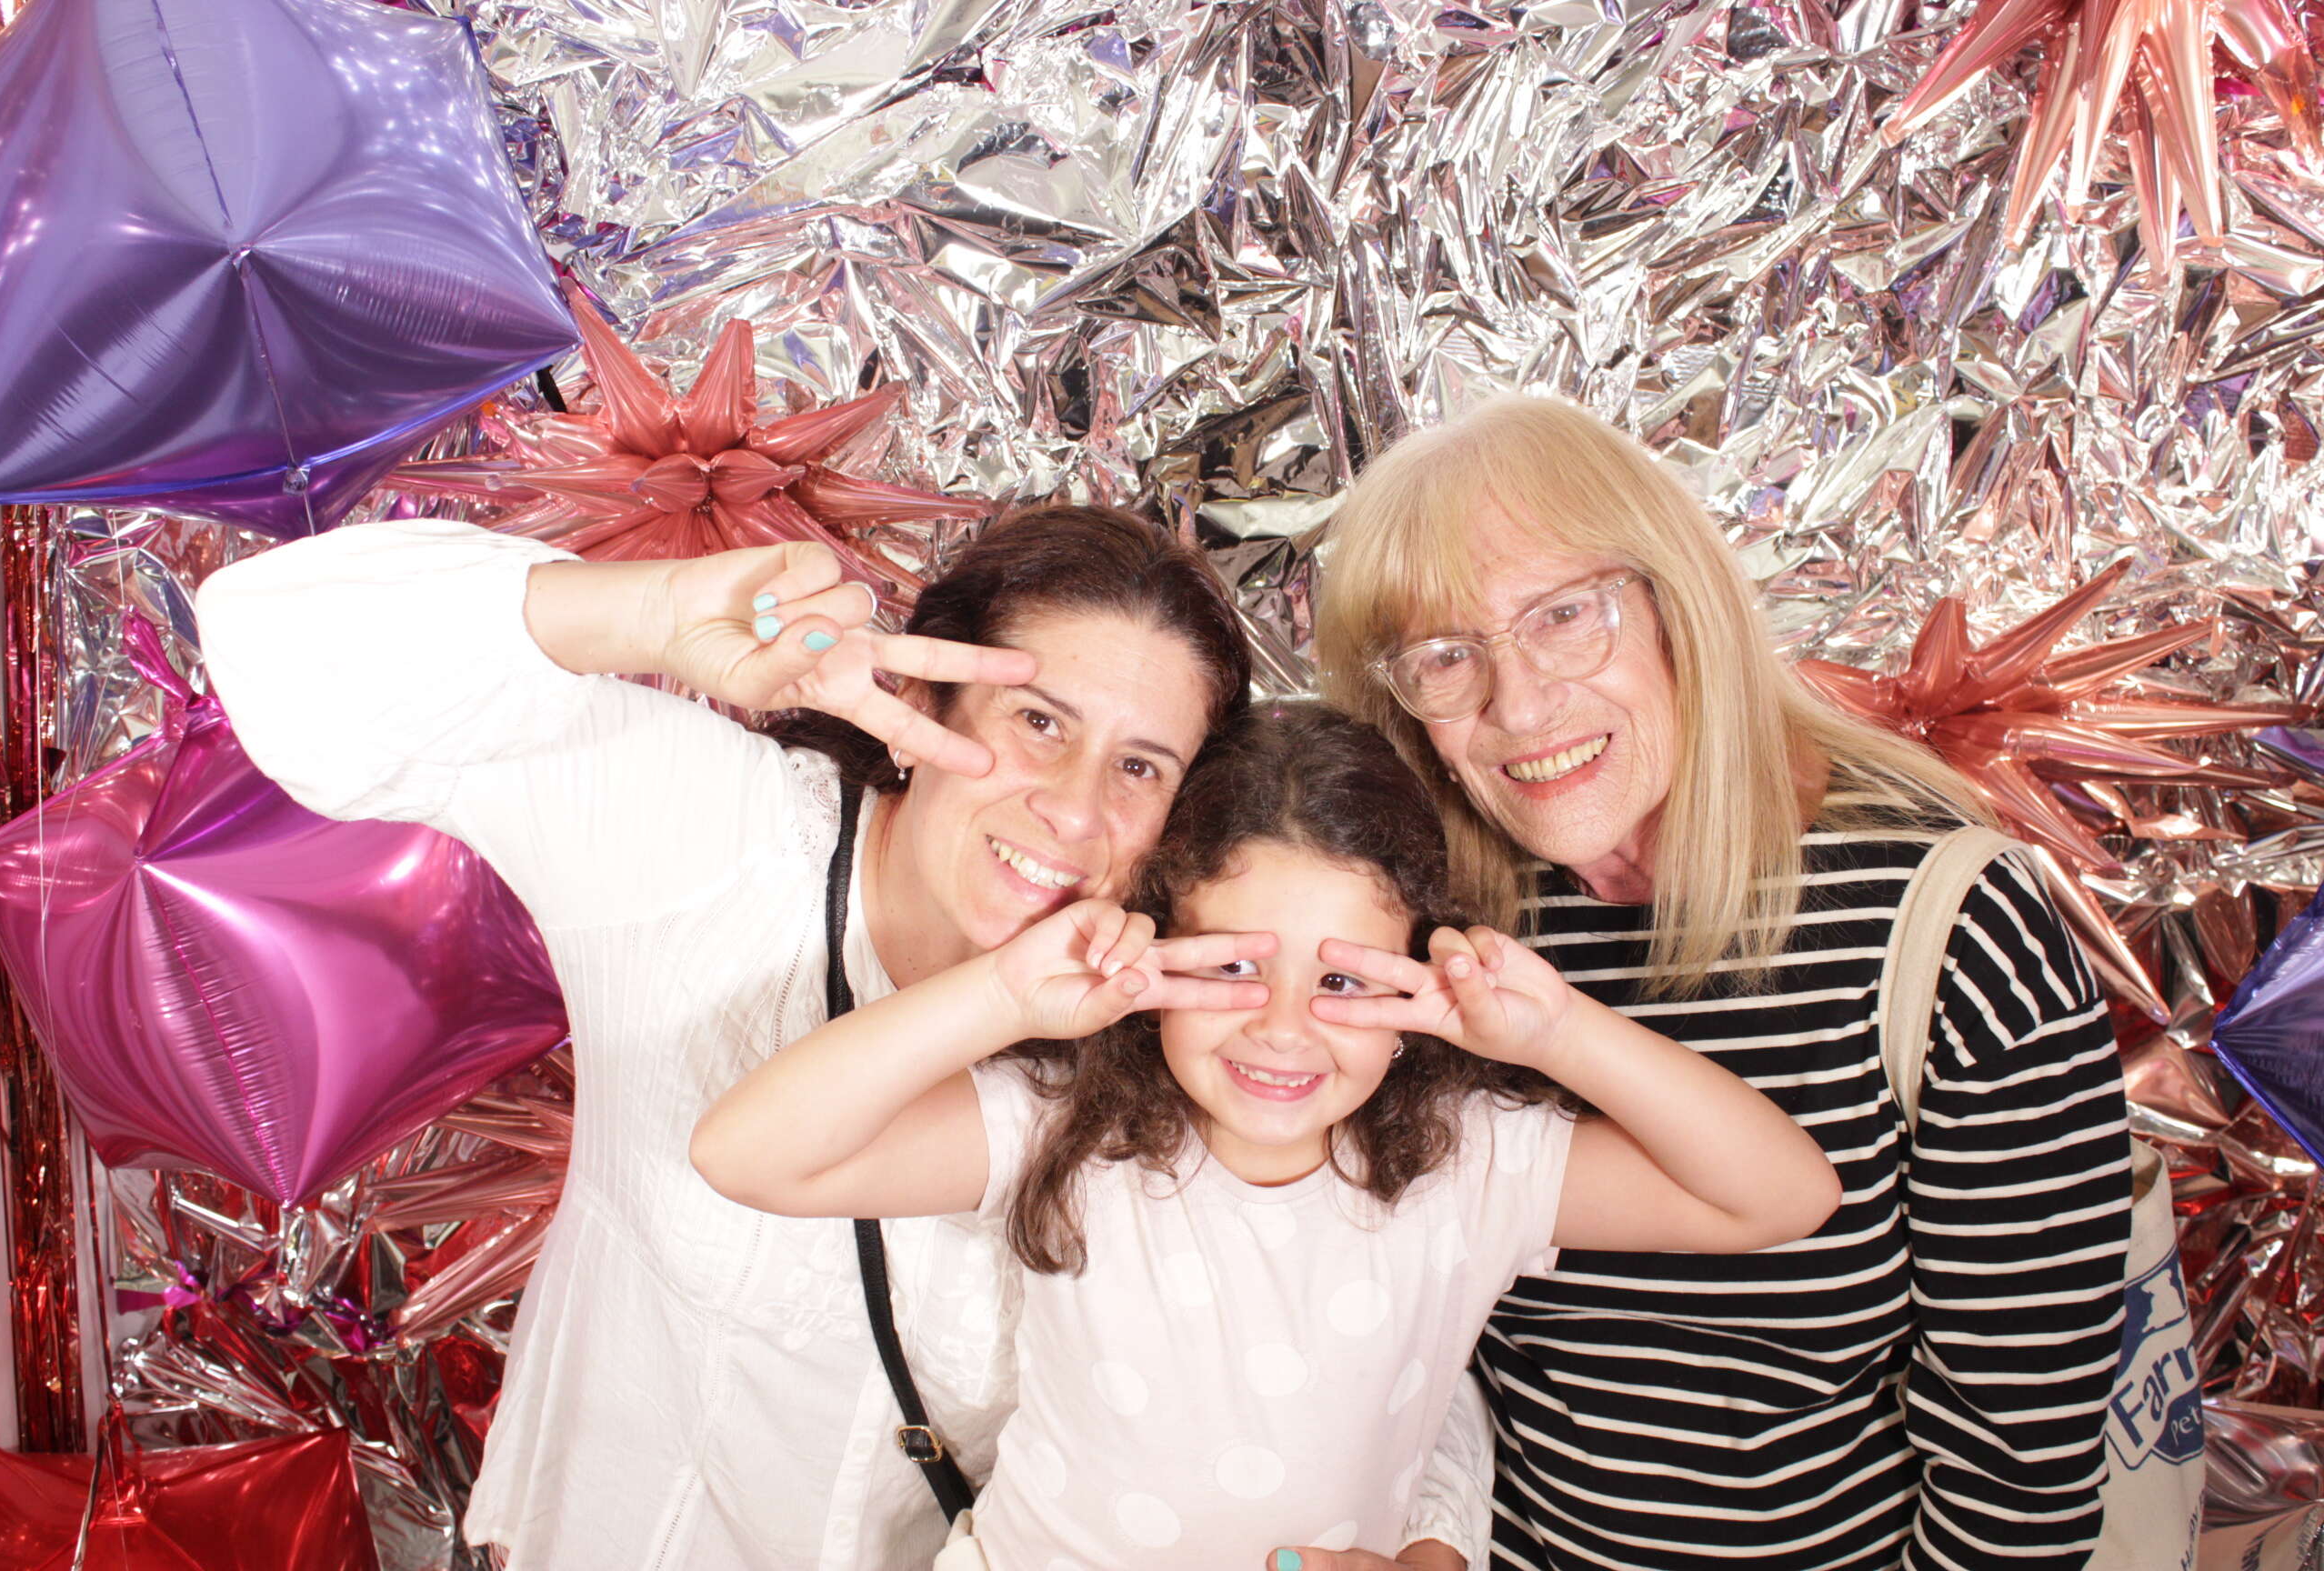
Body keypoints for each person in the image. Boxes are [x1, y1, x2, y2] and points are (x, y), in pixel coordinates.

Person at [195, 503, 1296, 1571]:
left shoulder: (1167, 1048)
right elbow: (270, 650)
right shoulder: (718, 838)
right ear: (920, 700)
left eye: (1141, 766)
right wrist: (653, 613)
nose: (1077, 808)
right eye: (1039, 722)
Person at [688, 702, 1842, 1569]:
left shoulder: (1475, 1159)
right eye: (1235, 967)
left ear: (1420, 974)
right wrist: (1005, 993)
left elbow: (1782, 1198)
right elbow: (747, 1154)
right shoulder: (1072, 1130)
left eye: (1342, 979)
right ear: (1157, 949)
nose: (1284, 1029)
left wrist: (1562, 1033)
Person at [1315, 395, 2138, 1570]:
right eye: (1446, 656)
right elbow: (1405, 1329)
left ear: (1678, 606)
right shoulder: (1436, 920)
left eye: (1565, 616)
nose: (1521, 706)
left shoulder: (1951, 926)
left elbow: (2018, 1470)